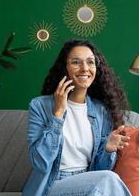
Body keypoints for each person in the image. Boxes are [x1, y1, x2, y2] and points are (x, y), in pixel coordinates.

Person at [22, 40, 132, 196]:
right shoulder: (40, 106)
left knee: (103, 183)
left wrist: (107, 149)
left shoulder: (101, 111)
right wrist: (58, 114)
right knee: (108, 179)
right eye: (76, 62)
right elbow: (40, 162)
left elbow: (98, 171)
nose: (85, 68)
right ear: (64, 68)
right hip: (51, 185)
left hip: (87, 184)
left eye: (90, 62)